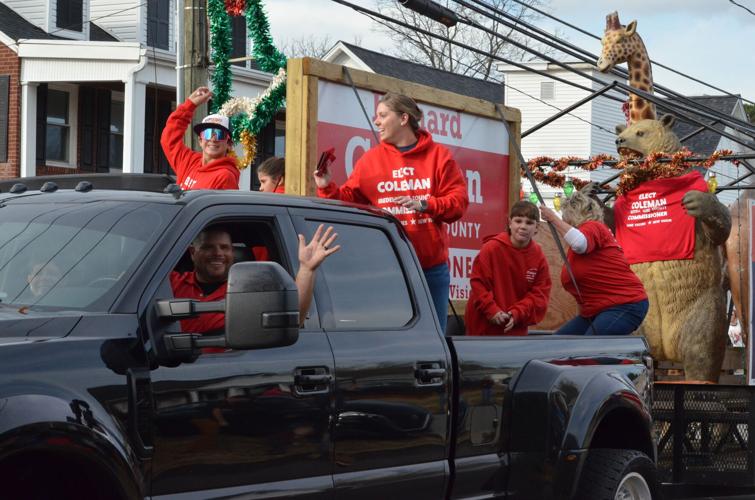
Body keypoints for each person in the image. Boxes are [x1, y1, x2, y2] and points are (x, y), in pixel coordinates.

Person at [314, 92, 468, 332]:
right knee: (391, 337)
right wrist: (326, 187)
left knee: (432, 339)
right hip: (386, 269)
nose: (377, 122)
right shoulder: (371, 160)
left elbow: (458, 203)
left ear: (404, 118)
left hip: (430, 269)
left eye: (383, 115)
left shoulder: (439, 156)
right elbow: (347, 201)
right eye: (377, 116)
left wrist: (426, 204)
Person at [170, 223, 340, 335]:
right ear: (193, 253)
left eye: (225, 248)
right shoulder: (171, 283)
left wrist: (307, 269)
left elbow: (292, 320)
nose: (218, 253)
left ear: (232, 252)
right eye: (208, 248)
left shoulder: (251, 289)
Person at [539, 192, 648, 335]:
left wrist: (553, 218)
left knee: (588, 350)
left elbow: (580, 243)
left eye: (565, 214)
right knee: (560, 345)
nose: (563, 219)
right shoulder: (583, 239)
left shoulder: (593, 227)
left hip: (624, 304)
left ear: (574, 213)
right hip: (596, 310)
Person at [465, 201, 551, 336]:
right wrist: (492, 310)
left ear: (536, 228)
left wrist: (518, 312)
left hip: (515, 329)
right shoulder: (491, 249)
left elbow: (539, 294)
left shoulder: (538, 257)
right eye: (518, 221)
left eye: (529, 223)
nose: (523, 226)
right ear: (510, 223)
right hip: (483, 329)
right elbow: (478, 285)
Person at [160, 86, 240, 191]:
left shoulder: (225, 176)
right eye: (208, 133)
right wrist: (190, 105)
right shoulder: (190, 162)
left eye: (219, 134)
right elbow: (168, 139)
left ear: (229, 144)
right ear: (200, 140)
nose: (213, 139)